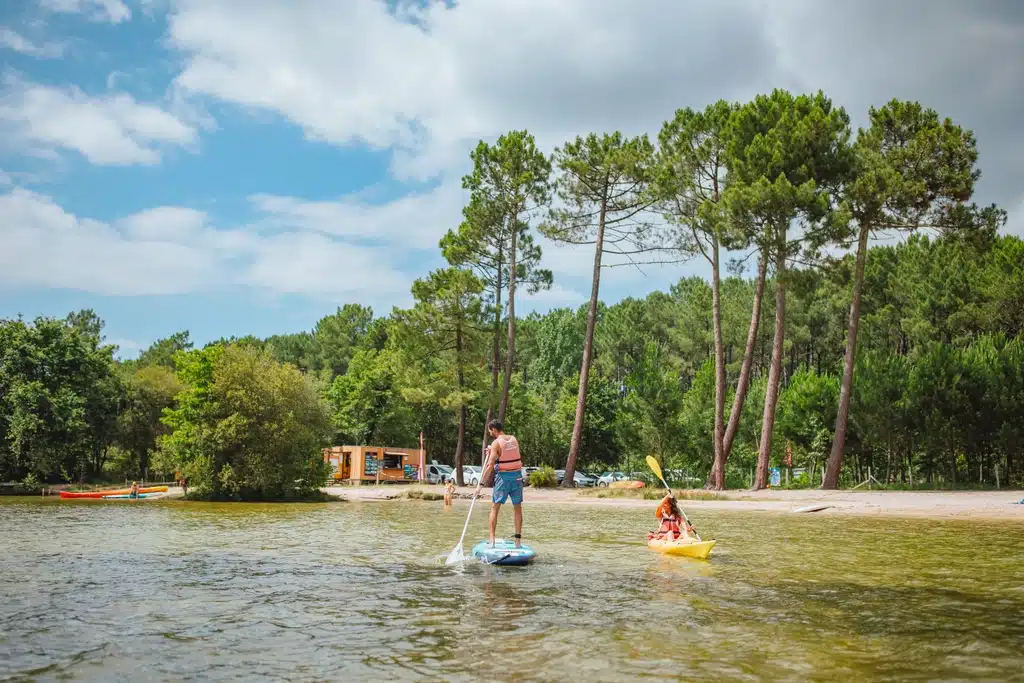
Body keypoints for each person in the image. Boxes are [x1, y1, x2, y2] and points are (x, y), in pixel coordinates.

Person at [476, 419, 524, 548]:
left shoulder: (496, 443)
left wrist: (480, 486)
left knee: (495, 507)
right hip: (517, 477)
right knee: (517, 508)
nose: (490, 433)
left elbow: (490, 465)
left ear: (494, 429)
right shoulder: (514, 439)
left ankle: (492, 541)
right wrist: (493, 451)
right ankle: (518, 542)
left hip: (503, 478)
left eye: (490, 431)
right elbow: (507, 452)